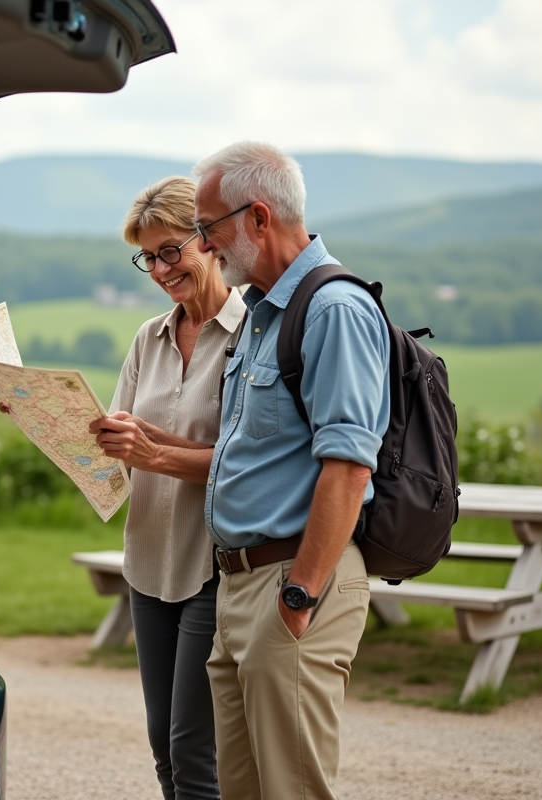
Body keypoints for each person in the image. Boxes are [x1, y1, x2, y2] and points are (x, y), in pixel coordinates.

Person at [192, 141, 390, 800]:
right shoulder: (261, 313)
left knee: (293, 792)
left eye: (207, 227)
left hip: (293, 584)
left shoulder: (333, 308)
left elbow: (348, 468)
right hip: (242, 586)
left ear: (257, 218)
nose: (202, 245)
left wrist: (299, 596)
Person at [89, 176, 246, 800]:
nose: (158, 269)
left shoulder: (252, 334)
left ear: (208, 241)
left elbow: (256, 462)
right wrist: (43, 419)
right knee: (164, 745)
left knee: (192, 747)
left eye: (169, 251)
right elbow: (114, 461)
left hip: (215, 566)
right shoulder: (146, 338)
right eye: (147, 257)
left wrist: (153, 452)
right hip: (148, 562)